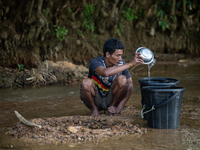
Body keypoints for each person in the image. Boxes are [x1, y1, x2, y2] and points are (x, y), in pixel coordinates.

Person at [80, 38, 144, 117]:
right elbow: (105, 72)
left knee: (122, 79)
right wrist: (130, 64)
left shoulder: (122, 63)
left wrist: (119, 107)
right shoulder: (96, 62)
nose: (120, 59)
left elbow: (130, 86)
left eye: (121, 55)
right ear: (107, 55)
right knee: (86, 82)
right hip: (96, 99)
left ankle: (112, 106)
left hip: (112, 99)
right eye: (118, 55)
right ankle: (94, 109)